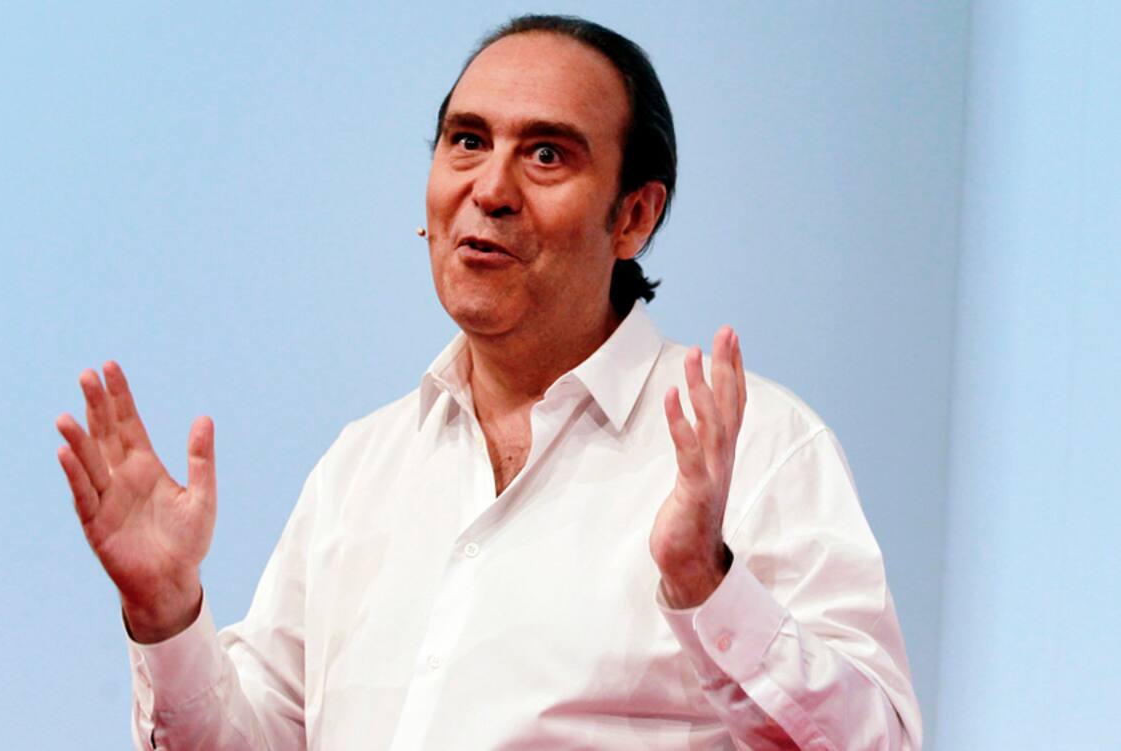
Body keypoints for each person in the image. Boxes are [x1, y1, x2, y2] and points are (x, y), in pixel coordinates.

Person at [55, 14, 921, 750]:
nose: (490, 189)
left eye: (546, 154)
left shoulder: (760, 448)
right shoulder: (363, 465)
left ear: (632, 216)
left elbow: (875, 738)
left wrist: (707, 583)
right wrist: (166, 611)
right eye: (467, 141)